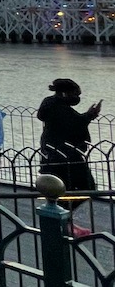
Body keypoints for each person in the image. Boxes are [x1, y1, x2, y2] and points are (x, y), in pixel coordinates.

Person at [37, 79, 102, 218]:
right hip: (66, 154)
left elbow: (72, 120)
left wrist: (88, 116)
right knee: (87, 187)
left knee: (60, 189)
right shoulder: (58, 108)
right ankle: (63, 217)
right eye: (75, 94)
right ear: (64, 93)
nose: (77, 98)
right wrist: (90, 115)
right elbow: (72, 123)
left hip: (52, 152)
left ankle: (63, 218)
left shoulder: (51, 104)